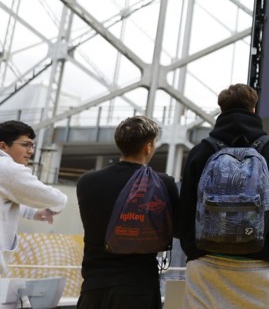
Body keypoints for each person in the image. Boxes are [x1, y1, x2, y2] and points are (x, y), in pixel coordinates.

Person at [179, 83, 269, 308]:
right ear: (254, 110)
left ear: (221, 110)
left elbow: (183, 215)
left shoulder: (200, 152)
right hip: (256, 268)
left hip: (204, 268)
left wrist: (194, 250)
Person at [76, 115, 179, 309]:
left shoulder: (86, 182)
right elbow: (176, 229)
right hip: (137, 286)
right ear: (148, 147)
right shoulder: (162, 184)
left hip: (94, 287)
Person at [0, 120, 67, 277]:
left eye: (32, 146)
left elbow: (6, 197)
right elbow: (55, 199)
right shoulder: (8, 169)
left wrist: (33, 212)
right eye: (25, 145)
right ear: (3, 146)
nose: (30, 151)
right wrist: (54, 207)